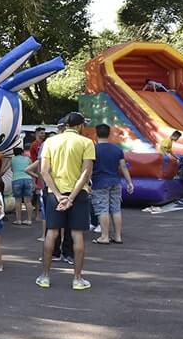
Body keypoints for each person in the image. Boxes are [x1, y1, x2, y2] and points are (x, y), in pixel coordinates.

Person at [36, 112, 95, 291]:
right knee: (77, 234)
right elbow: (86, 173)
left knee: (51, 233)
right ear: (80, 125)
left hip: (55, 194)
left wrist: (58, 194)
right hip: (78, 194)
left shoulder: (50, 142)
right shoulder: (86, 143)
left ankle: (45, 276)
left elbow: (44, 171)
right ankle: (77, 278)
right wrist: (71, 197)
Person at [90, 124, 134, 245]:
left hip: (99, 182)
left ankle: (104, 236)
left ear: (96, 134)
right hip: (115, 181)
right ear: (109, 134)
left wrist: (87, 182)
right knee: (116, 209)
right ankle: (118, 236)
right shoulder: (117, 149)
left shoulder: (93, 149)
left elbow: (89, 168)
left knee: (102, 209)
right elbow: (123, 166)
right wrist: (129, 182)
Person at [10, 147, 33, 225]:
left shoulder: (12, 159)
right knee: (28, 201)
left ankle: (18, 220)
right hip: (28, 179)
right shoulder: (28, 159)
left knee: (18, 201)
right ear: (22, 152)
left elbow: (12, 169)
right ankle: (29, 220)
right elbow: (31, 168)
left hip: (16, 180)